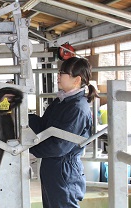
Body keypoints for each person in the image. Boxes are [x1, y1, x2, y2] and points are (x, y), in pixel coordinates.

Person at [29, 57, 99, 208]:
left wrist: (31, 152)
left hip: (64, 170)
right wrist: (19, 116)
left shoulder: (78, 108)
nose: (58, 76)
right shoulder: (62, 101)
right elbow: (43, 125)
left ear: (76, 80)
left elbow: (60, 146)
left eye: (63, 73)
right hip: (52, 166)